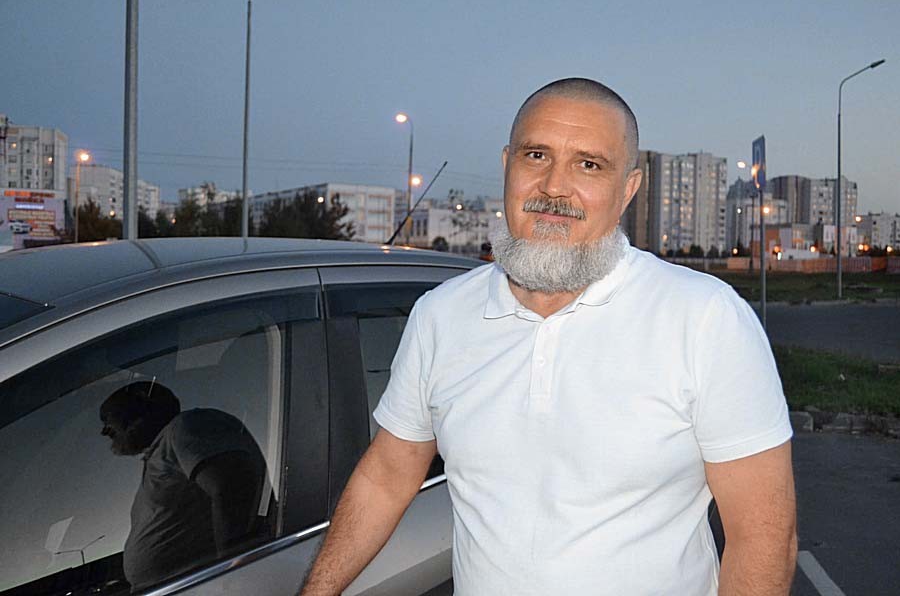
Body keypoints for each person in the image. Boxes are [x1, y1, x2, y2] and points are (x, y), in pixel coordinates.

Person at [301, 78, 796, 595]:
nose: (554, 187)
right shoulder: (441, 316)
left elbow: (763, 538)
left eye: (589, 165)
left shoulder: (705, 319)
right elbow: (386, 477)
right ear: (507, 166)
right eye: (536, 156)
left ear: (627, 189)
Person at [100, 380, 267, 592]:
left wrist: (230, 571)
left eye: (108, 417)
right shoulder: (163, 448)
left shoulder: (185, 427)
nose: (104, 431)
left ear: (138, 409)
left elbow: (232, 487)